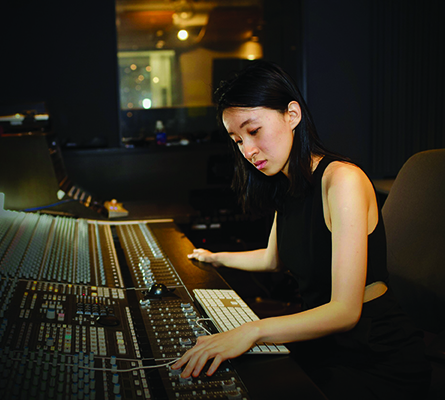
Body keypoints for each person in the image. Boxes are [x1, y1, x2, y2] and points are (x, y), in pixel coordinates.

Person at [171, 60, 431, 399]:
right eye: (237, 140)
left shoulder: (343, 181)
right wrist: (213, 257)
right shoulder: (288, 184)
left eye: (254, 131)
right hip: (327, 345)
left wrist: (252, 332)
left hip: (376, 356)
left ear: (292, 115)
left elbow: (345, 311)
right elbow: (271, 259)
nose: (247, 151)